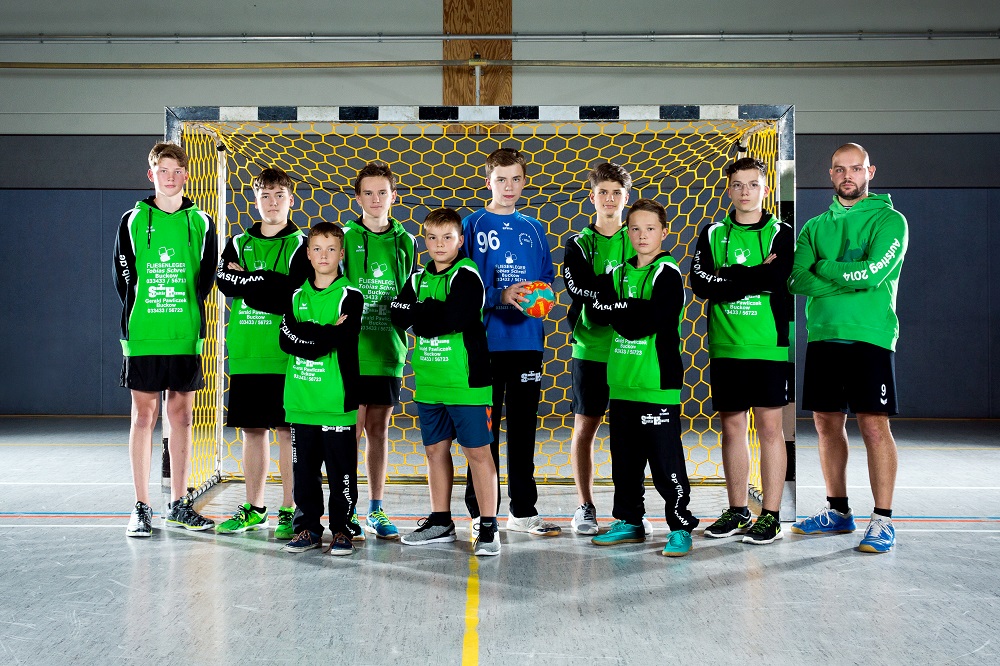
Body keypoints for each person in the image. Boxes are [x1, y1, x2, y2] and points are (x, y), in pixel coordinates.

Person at [788, 143, 908, 554]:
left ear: (869, 172)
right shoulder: (814, 226)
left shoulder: (889, 220)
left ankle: (883, 519)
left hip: (870, 336)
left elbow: (872, 274)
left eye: (855, 169)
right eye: (839, 169)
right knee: (825, 424)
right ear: (831, 174)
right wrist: (846, 281)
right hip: (823, 335)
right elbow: (796, 280)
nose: (847, 176)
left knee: (874, 426)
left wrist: (823, 267)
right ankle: (838, 511)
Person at [115, 141, 217, 537]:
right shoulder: (132, 220)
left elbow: (206, 277)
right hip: (144, 333)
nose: (169, 178)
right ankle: (141, 506)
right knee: (143, 417)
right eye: (163, 171)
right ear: (151, 174)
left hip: (184, 333)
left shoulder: (201, 222)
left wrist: (182, 308)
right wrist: (145, 308)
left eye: (176, 171)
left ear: (186, 175)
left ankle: (178, 504)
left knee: (182, 417)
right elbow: (123, 275)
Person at [587, 199, 700, 556]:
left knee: (665, 462)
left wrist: (620, 308)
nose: (642, 235)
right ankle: (629, 520)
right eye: (635, 228)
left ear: (664, 232)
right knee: (625, 461)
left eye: (650, 228)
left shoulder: (667, 272)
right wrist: (629, 309)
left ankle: (680, 526)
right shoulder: (617, 273)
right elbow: (597, 311)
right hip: (622, 382)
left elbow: (651, 321)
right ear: (627, 231)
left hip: (656, 382)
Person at [690, 157, 793, 545]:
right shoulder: (713, 233)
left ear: (765, 189)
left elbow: (778, 277)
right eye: (737, 184)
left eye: (752, 184)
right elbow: (701, 283)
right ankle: (737, 510)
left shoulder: (781, 232)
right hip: (726, 343)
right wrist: (753, 276)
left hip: (767, 344)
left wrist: (728, 275)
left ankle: (771, 516)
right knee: (732, 428)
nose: (745, 191)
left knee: (770, 430)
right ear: (728, 189)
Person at [390, 208, 501, 556]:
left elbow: (455, 317)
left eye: (447, 237)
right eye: (433, 238)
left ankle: (488, 526)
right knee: (434, 451)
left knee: (477, 453)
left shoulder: (466, 275)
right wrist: (429, 313)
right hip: (429, 381)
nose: (440, 244)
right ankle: (440, 521)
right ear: (425, 240)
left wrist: (420, 314)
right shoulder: (417, 278)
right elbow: (397, 314)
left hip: (466, 382)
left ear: (460, 240)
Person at [462, 147, 560, 537]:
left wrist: (540, 298)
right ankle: (480, 514)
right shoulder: (471, 225)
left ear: (524, 181)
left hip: (526, 343)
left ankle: (523, 511)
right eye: (501, 179)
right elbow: (459, 284)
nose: (508, 186)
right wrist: (498, 295)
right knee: (481, 434)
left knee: (523, 431)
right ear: (488, 181)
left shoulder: (534, 228)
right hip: (484, 344)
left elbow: (547, 279)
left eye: (515, 179)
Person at [215, 167, 310, 540]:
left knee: (288, 432)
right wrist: (267, 283)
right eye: (265, 196)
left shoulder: (302, 244)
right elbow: (224, 282)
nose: (272, 203)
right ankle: (255, 509)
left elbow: (293, 293)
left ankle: (289, 509)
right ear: (255, 200)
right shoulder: (238, 242)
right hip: (247, 351)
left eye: (279, 196)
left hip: (286, 353)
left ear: (291, 199)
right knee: (253, 431)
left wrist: (250, 281)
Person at [563, 162, 651, 537]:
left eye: (617, 192)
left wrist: (604, 293)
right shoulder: (579, 243)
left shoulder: (638, 237)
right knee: (585, 428)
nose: (610, 199)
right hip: (591, 349)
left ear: (626, 197)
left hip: (630, 349)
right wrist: (619, 295)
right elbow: (578, 288)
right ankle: (585, 506)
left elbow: (648, 286)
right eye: (603, 192)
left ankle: (630, 511)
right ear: (592, 196)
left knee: (631, 434)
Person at [278, 222, 364, 556]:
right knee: (304, 473)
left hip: (336, 400)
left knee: (341, 472)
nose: (323, 255)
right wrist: (326, 333)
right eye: (317, 249)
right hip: (301, 400)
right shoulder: (295, 295)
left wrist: (309, 334)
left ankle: (343, 529)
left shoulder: (350, 296)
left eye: (331, 249)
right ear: (308, 254)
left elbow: (345, 336)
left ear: (341, 254)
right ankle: (308, 528)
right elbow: (287, 340)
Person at [342, 162, 416, 541]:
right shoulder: (345, 237)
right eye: (368, 193)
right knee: (350, 431)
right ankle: (346, 509)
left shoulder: (406, 241)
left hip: (388, 347)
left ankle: (375, 508)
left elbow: (410, 294)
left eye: (382, 192)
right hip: (352, 351)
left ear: (393, 196)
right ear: (357, 197)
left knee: (379, 430)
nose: (375, 199)